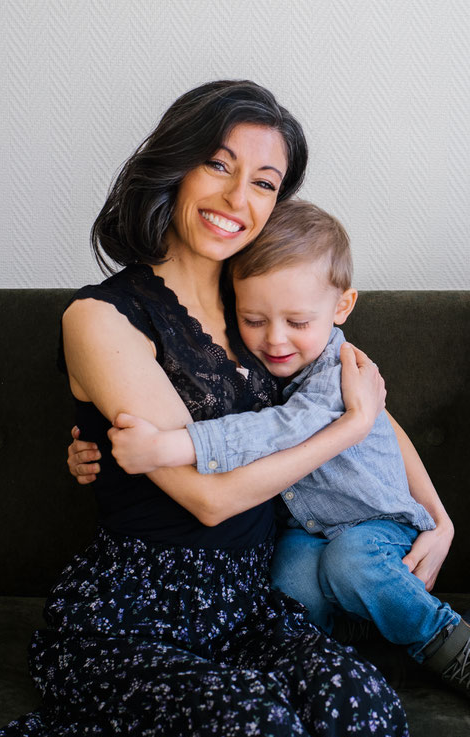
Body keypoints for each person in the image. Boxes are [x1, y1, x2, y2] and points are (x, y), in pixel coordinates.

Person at [0, 80, 413, 737]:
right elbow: (209, 497)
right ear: (175, 163)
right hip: (134, 608)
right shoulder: (100, 317)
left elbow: (364, 405)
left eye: (264, 182)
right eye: (219, 164)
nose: (238, 199)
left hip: (254, 597)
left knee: (362, 704)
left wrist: (434, 519)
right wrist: (344, 430)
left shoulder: (265, 309)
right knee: (257, 734)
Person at [102, 199, 468, 698]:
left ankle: (445, 640)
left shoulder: (339, 370)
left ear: (341, 307)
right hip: (307, 530)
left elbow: (278, 428)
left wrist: (173, 447)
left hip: (376, 523)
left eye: (297, 322)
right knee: (288, 584)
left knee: (352, 563)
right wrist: (96, 450)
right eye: (254, 319)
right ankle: (340, 644)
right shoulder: (261, 365)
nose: (275, 340)